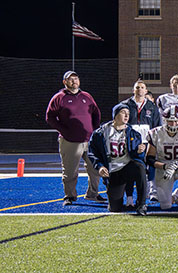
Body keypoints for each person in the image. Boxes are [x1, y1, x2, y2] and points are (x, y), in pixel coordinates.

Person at [45, 70, 105, 206]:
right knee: (70, 171)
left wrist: (94, 131)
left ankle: (93, 194)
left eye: (76, 78)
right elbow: (50, 117)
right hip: (70, 141)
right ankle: (70, 196)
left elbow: (96, 113)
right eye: (71, 79)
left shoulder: (87, 96)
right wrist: (64, 131)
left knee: (95, 168)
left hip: (89, 140)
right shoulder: (59, 97)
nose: (74, 81)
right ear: (65, 82)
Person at [87, 104, 147, 215]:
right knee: (115, 208)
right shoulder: (101, 133)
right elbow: (92, 153)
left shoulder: (134, 133)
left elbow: (138, 158)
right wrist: (100, 166)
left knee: (140, 167)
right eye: (123, 112)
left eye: (128, 113)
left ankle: (141, 204)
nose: (126, 115)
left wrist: (139, 152)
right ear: (115, 115)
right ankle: (117, 197)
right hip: (112, 172)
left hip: (127, 168)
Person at [145, 106, 178, 212]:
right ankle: (175, 196)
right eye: (170, 121)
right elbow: (149, 158)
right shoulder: (155, 133)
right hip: (163, 167)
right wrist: (165, 166)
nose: (173, 124)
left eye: (176, 121)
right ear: (164, 120)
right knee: (166, 205)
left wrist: (175, 165)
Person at [119, 80, 162, 206]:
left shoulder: (152, 106)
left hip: (147, 141)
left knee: (150, 166)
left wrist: (154, 142)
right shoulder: (125, 105)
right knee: (130, 168)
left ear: (146, 90)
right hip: (131, 141)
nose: (140, 90)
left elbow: (156, 126)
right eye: (137, 87)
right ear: (134, 90)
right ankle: (130, 198)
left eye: (142, 87)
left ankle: (150, 192)